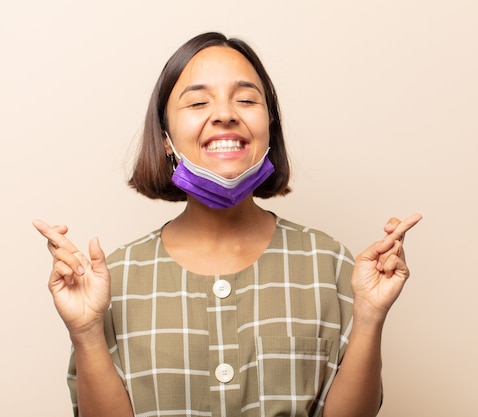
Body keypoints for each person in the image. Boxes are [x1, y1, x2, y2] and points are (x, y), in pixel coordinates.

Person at [33, 31, 421, 417]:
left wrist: (370, 317)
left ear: (270, 125)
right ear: (166, 137)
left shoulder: (328, 262)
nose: (224, 114)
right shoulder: (114, 278)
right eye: (199, 102)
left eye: (247, 99)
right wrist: (85, 333)